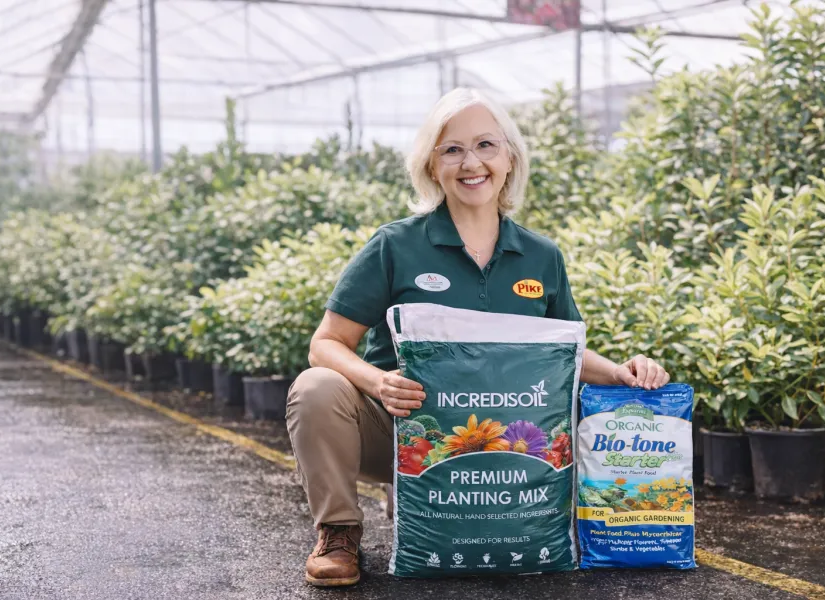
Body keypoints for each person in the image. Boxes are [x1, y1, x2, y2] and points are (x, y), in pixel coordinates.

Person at [286, 87, 670, 587]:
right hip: (404, 432)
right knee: (317, 386)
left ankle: (433, 501)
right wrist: (379, 382)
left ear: (509, 158)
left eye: (486, 145)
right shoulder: (395, 245)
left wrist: (623, 372)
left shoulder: (540, 256)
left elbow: (564, 354)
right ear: (431, 166)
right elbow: (326, 343)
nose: (472, 162)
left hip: (510, 446)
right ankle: (339, 531)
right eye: (452, 149)